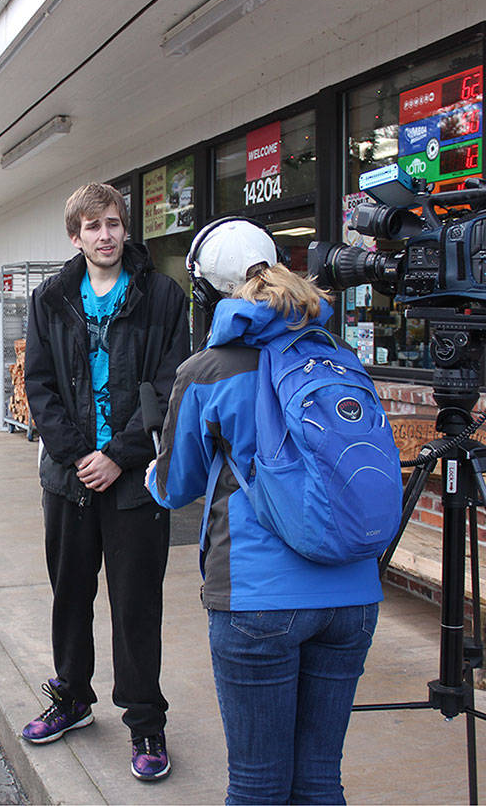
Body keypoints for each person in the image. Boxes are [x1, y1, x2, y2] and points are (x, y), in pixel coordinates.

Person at [145, 218, 382, 804]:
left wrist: (152, 467)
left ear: (209, 290)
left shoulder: (208, 371)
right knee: (320, 780)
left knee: (257, 785)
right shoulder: (338, 356)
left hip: (257, 598)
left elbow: (175, 488)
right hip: (352, 596)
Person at [21, 182, 189, 781]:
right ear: (76, 236)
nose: (106, 235)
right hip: (69, 481)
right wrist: (77, 457)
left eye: (113, 223)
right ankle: (72, 698)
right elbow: (38, 386)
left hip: (135, 481)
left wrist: (119, 455)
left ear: (125, 228)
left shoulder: (162, 296)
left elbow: (171, 386)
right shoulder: (50, 299)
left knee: (136, 604)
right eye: (93, 226)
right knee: (70, 595)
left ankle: (145, 721)